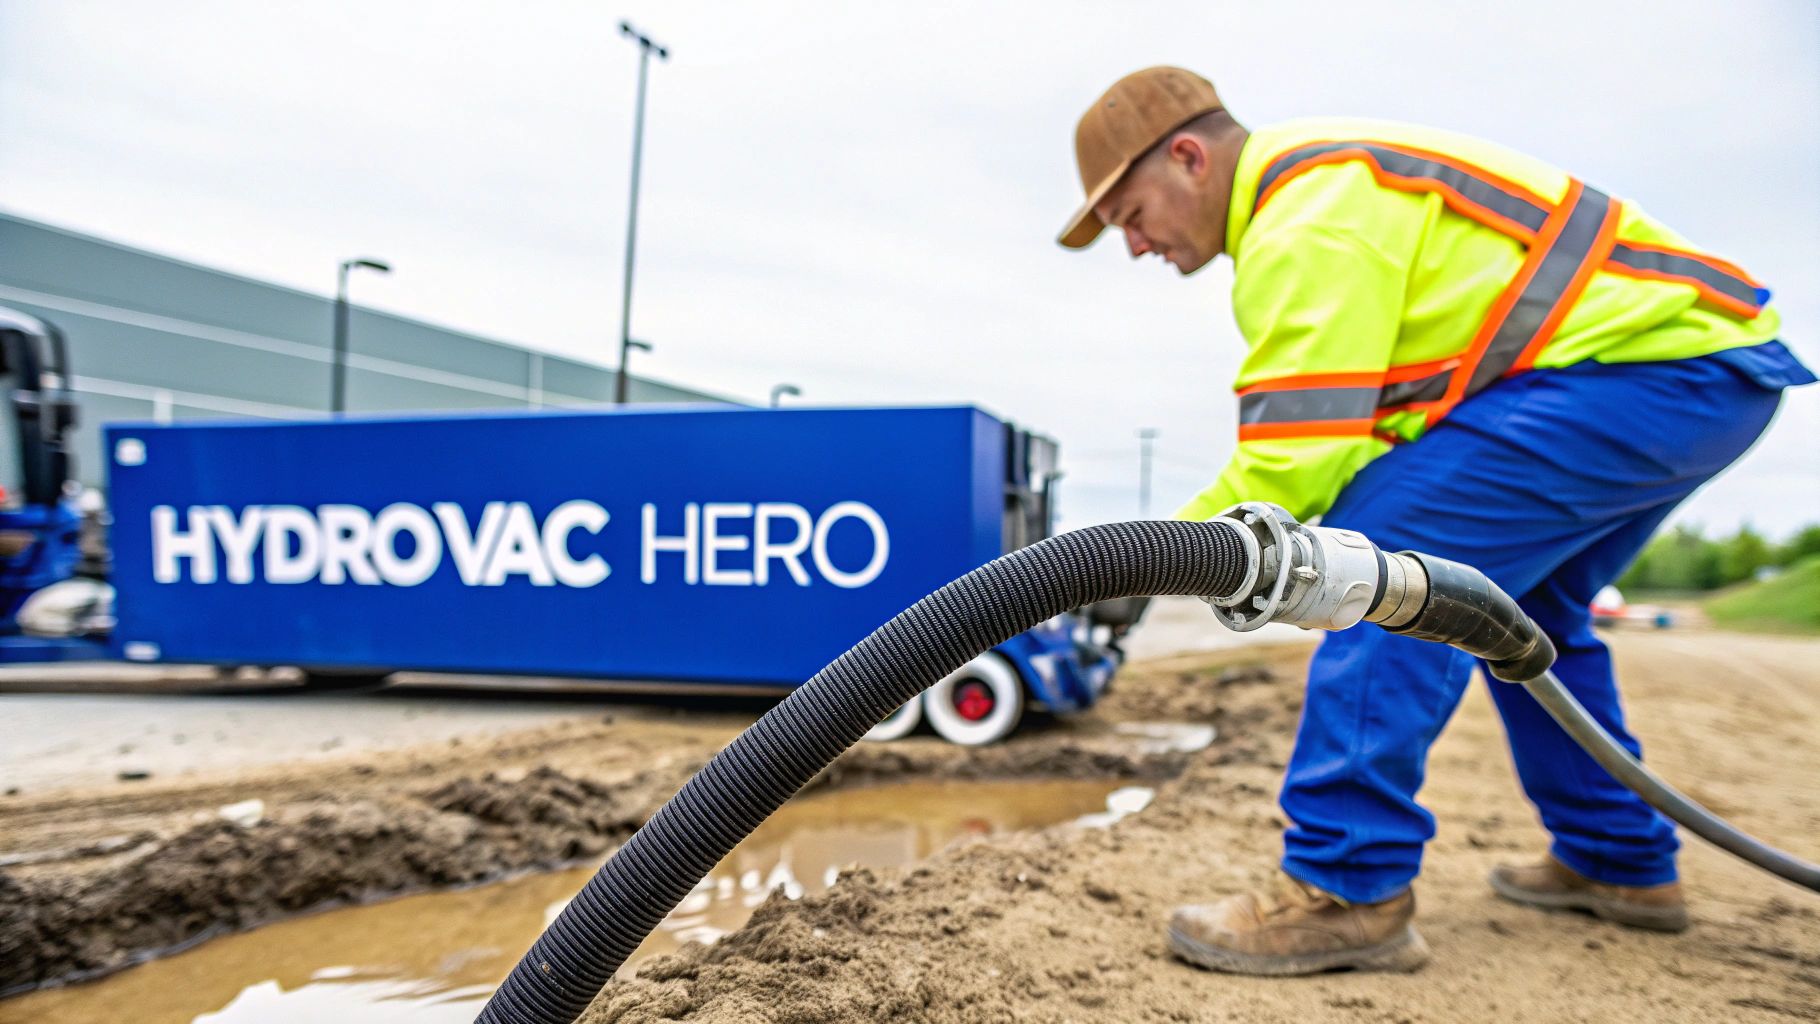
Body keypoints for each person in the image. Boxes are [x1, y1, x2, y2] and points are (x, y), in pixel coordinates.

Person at [1057, 66, 1814, 976]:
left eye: (1130, 215)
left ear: (1187, 158)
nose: (1134, 246)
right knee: (1524, 620)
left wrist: (1145, 561)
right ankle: (1617, 861)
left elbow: (1297, 456)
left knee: (1383, 574)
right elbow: (1365, 431)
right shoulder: (1327, 185)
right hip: (1698, 378)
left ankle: (1348, 887)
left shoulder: (1306, 218)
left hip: (1643, 374)